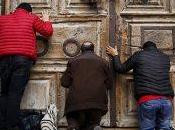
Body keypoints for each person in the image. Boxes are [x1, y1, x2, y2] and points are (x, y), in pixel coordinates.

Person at [0, 2, 53, 130]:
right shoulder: (32, 18)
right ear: (29, 12)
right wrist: (46, 20)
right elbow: (47, 32)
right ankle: (11, 126)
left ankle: (2, 124)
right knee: (15, 93)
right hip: (22, 60)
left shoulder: (2, 19)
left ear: (15, 10)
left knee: (4, 93)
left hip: (3, 60)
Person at [106, 41, 174, 130]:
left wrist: (115, 55)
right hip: (167, 100)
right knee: (165, 128)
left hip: (148, 99)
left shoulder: (139, 55)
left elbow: (120, 68)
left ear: (143, 48)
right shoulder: (165, 57)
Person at [61, 41, 113, 130]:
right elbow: (109, 84)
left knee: (73, 119)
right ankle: (94, 126)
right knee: (92, 122)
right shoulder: (104, 62)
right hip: (97, 103)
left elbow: (64, 83)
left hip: (76, 103)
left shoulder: (72, 62)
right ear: (93, 50)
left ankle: (73, 126)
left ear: (81, 50)